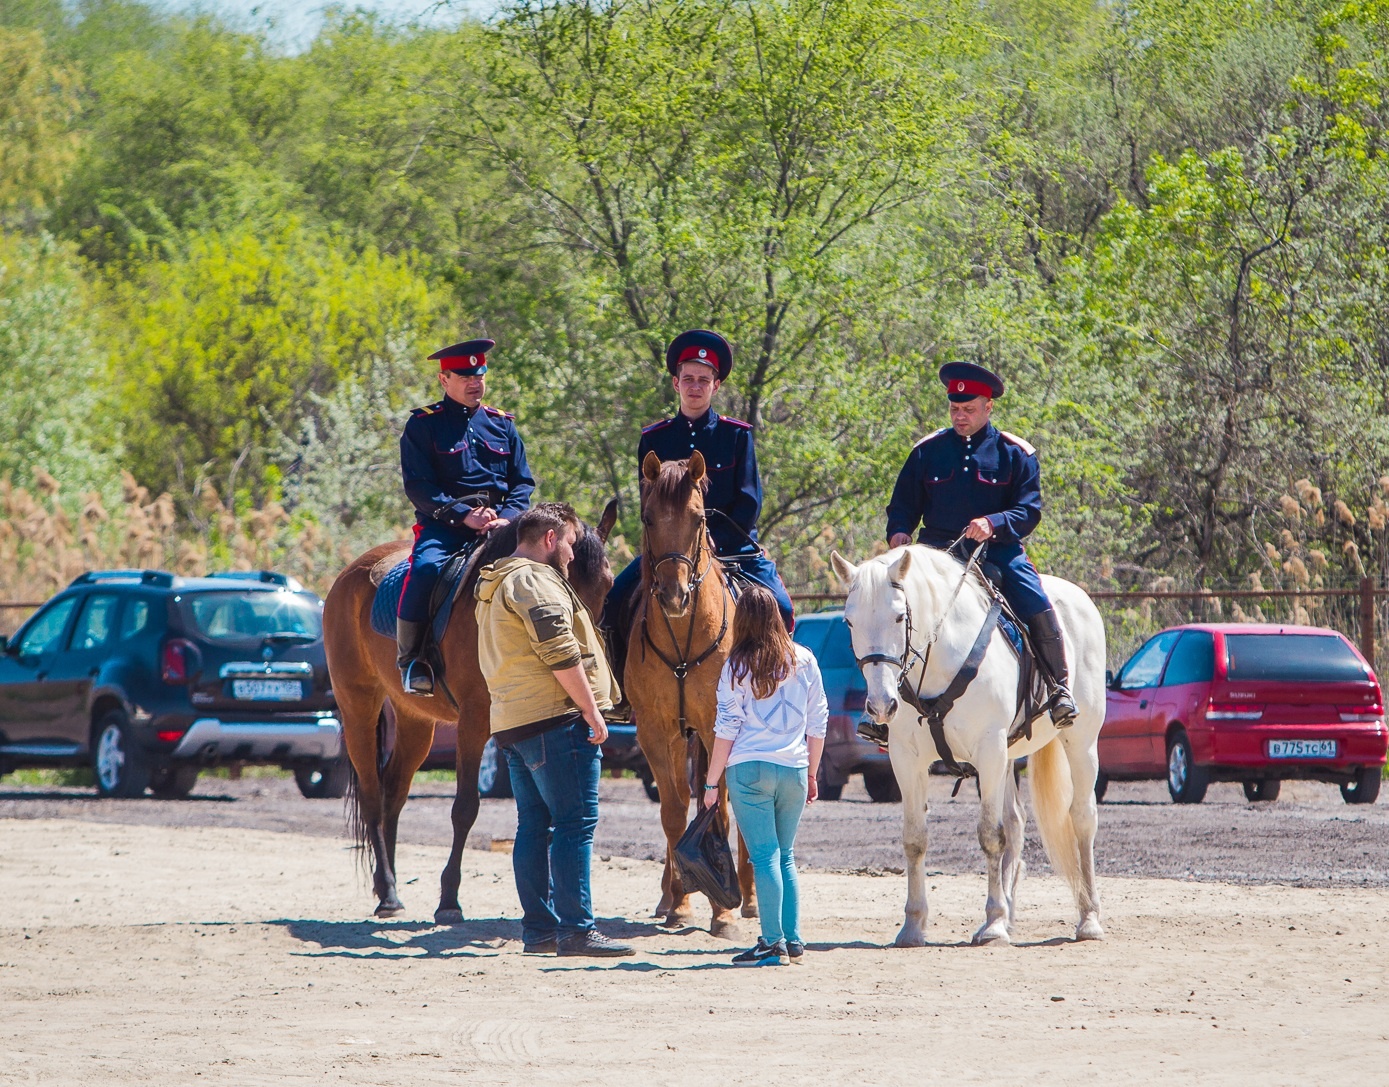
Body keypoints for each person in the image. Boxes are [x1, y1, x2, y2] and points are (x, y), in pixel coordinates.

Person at [880, 360, 1077, 743]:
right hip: (937, 553)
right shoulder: (927, 452)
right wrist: (899, 532)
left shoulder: (1016, 454)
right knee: (890, 609)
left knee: (1034, 598)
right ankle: (886, 712)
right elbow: (902, 504)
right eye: (955, 408)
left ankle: (1058, 688)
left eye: (969, 409)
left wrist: (994, 523)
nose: (960, 416)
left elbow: (1029, 510)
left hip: (997, 552)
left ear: (989, 407)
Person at [602, 329, 794, 712]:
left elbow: (749, 501)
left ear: (716, 386)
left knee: (784, 608)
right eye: (688, 379)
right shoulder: (653, 439)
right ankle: (623, 693)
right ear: (676, 383)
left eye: (703, 380)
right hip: (669, 551)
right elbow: (649, 507)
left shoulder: (736, 436)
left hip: (732, 547)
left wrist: (710, 542)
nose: (695, 386)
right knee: (613, 601)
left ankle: (778, 691)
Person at [473, 501, 634, 958]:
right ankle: (577, 930)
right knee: (574, 824)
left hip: (515, 723)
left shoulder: (498, 580)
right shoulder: (534, 580)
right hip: (555, 720)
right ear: (549, 538)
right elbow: (559, 650)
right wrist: (592, 710)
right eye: (570, 541)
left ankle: (541, 931)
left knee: (534, 826)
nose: (572, 553)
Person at [396, 338, 535, 694]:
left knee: (557, 567)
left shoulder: (502, 425)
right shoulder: (423, 426)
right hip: (446, 527)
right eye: (465, 376)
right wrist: (462, 516)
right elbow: (419, 487)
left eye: (480, 374)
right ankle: (413, 660)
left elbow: (523, 482)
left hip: (504, 526)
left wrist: (508, 516)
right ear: (444, 380)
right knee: (425, 569)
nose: (475, 382)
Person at [703, 585, 827, 967]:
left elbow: (726, 728)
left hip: (749, 770)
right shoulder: (804, 658)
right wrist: (812, 773)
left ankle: (771, 944)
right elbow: (818, 721)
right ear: (776, 615)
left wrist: (711, 784)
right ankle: (792, 940)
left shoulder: (736, 665)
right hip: (794, 767)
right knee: (784, 856)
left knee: (764, 856)